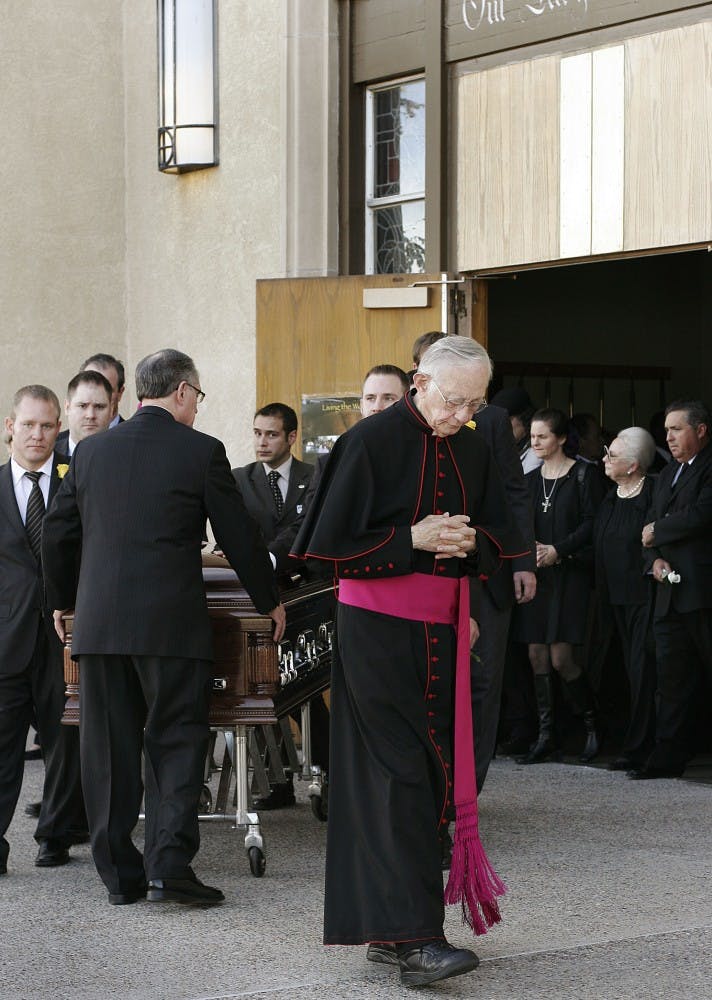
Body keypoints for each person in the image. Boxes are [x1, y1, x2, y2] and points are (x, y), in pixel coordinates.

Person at [292, 336, 520, 988]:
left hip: (443, 630)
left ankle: (392, 934)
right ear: (420, 382)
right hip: (377, 634)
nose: (463, 415)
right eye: (455, 400)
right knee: (399, 777)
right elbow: (324, 548)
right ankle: (417, 941)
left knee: (431, 774)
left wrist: (472, 549)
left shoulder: (473, 445)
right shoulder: (366, 442)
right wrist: (408, 540)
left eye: (475, 403)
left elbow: (498, 537)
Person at [42, 349, 285, 906]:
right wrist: (268, 599)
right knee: (175, 741)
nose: (197, 408)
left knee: (106, 750)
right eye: (197, 397)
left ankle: (120, 879)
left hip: (99, 626)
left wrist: (62, 602)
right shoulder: (201, 452)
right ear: (181, 392)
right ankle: (168, 869)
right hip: (171, 627)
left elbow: (58, 535)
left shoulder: (90, 452)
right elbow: (240, 534)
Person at [0, 386, 85, 875]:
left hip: (63, 639)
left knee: (65, 742)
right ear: (10, 426)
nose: (38, 434)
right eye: (29, 424)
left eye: (48, 425)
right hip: (7, 642)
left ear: (60, 429)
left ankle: (55, 835)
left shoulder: (74, 485)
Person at [233, 402, 326, 810]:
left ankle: (328, 772)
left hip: (303, 591)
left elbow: (308, 529)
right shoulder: (238, 479)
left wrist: (269, 558)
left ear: (291, 437)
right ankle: (276, 780)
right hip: (257, 594)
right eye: (256, 433)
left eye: (271, 434)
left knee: (308, 683)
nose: (262, 442)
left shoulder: (314, 476)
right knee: (260, 684)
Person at [513, 408, 605, 764]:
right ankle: (546, 735)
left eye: (542, 437)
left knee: (561, 657)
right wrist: (532, 553)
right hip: (539, 575)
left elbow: (591, 523)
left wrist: (558, 550)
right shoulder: (531, 482)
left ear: (562, 438)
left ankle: (592, 725)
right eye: (532, 436)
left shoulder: (583, 475)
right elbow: (520, 523)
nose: (534, 442)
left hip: (569, 574)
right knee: (536, 655)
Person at [634, 400, 712, 779]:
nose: (668, 437)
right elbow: (650, 522)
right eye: (666, 430)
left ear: (700, 430)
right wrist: (654, 562)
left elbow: (702, 513)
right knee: (671, 677)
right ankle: (667, 756)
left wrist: (658, 533)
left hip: (702, 591)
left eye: (676, 429)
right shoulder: (667, 474)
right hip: (668, 591)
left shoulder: (709, 467)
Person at [594, 428, 658, 770]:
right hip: (611, 600)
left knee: (642, 673)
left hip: (642, 599)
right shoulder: (610, 495)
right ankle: (621, 740)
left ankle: (641, 748)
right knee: (614, 671)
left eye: (612, 455)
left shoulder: (652, 493)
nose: (604, 459)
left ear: (633, 465)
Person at [55, 370, 113, 457]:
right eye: (82, 406)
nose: (90, 415)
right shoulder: (47, 456)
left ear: (111, 410)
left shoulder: (126, 456)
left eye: (99, 407)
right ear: (67, 407)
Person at [490, 386, 541, 473]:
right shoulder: (501, 449)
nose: (501, 426)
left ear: (525, 419)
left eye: (508, 420)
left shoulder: (537, 454)